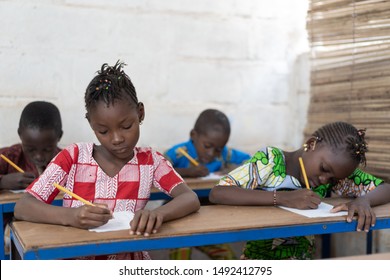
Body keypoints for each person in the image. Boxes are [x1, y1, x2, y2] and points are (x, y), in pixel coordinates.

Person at [14, 61, 200, 260]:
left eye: (126, 126)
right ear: (91, 124)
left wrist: (159, 214)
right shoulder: (73, 157)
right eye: (103, 131)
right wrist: (71, 217)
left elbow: (189, 198)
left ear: (140, 113)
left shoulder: (151, 161)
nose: (117, 138)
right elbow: (24, 206)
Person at [209, 121, 390, 259]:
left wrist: (363, 200)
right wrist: (281, 198)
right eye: (324, 169)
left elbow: (385, 188)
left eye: (333, 179)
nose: (324, 180)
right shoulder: (271, 160)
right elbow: (218, 193)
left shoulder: (330, 177)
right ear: (311, 144)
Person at [165, 108, 251, 260]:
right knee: (180, 257)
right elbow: (159, 168)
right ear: (193, 136)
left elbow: (250, 161)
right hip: (178, 216)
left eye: (218, 149)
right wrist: (188, 172)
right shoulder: (180, 151)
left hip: (206, 216)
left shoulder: (225, 154)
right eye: (207, 146)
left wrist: (230, 169)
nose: (212, 154)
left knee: (228, 257)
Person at [0, 101, 63, 190]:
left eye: (47, 149)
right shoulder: (8, 156)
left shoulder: (67, 161)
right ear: (20, 134)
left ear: (59, 136)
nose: (39, 156)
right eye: (31, 149)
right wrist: (2, 182)